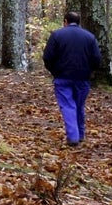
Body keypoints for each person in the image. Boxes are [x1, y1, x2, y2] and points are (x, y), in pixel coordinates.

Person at [43, 10, 102, 147]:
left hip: (62, 77)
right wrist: (89, 71)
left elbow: (47, 57)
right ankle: (80, 134)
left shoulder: (57, 35)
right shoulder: (89, 37)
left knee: (68, 106)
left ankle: (73, 136)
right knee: (79, 105)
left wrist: (55, 71)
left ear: (65, 21)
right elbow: (97, 59)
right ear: (79, 22)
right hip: (83, 78)